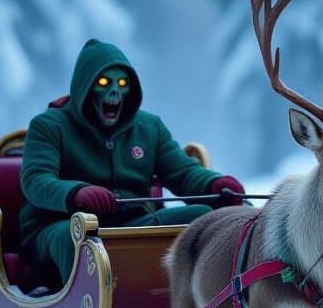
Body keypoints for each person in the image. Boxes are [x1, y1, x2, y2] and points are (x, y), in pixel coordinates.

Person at [20, 39, 246, 285]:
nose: (115, 92)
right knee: (77, 238)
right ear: (85, 86)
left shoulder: (149, 128)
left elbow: (183, 172)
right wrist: (76, 193)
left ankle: (204, 300)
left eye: (122, 84)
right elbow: (36, 180)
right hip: (59, 226)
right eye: (104, 83)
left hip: (131, 224)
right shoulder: (49, 126)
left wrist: (214, 184)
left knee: (203, 217)